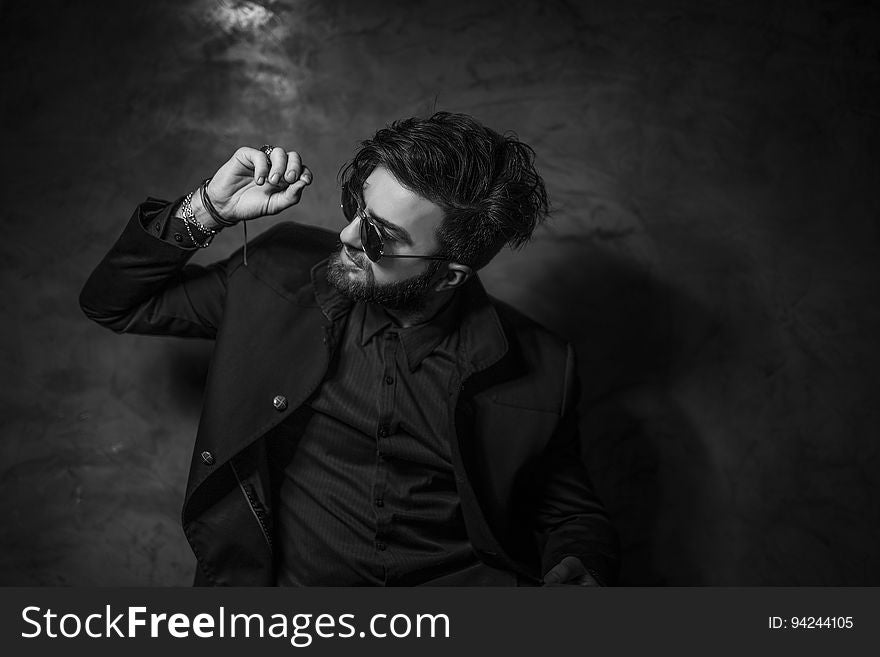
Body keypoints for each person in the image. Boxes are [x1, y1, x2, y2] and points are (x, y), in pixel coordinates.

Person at [79, 112, 619, 586]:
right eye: (353, 206)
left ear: (448, 275)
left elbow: (567, 512)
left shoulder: (542, 365)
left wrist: (583, 561)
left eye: (381, 237)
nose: (348, 235)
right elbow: (115, 305)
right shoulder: (274, 272)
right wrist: (208, 210)